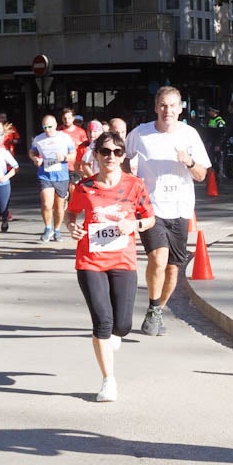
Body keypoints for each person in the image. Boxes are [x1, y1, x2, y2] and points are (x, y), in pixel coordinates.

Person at [65, 131, 154, 402]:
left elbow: (149, 219)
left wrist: (134, 225)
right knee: (103, 322)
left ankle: (116, 334)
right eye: (105, 152)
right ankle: (108, 381)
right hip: (90, 261)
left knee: (123, 325)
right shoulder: (85, 186)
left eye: (116, 152)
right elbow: (71, 213)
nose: (111, 157)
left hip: (123, 261)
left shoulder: (135, 185)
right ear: (96, 155)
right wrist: (72, 227)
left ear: (123, 155)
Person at [125, 86, 210, 336]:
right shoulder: (140, 134)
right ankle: (153, 305)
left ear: (181, 108)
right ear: (155, 108)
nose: (167, 110)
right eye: (163, 105)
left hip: (181, 209)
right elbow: (121, 160)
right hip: (151, 207)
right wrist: (127, 169)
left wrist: (190, 162)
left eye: (173, 106)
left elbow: (202, 174)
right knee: (158, 258)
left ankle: (157, 309)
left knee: (174, 268)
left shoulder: (190, 135)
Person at [28, 115, 77, 242]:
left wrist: (64, 158)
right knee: (46, 204)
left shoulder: (64, 137)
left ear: (55, 125)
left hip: (61, 175)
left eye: (50, 127)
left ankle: (57, 230)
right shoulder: (39, 139)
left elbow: (73, 155)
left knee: (59, 206)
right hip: (45, 175)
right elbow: (32, 152)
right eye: (44, 127)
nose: (47, 130)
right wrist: (35, 159)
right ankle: (48, 228)